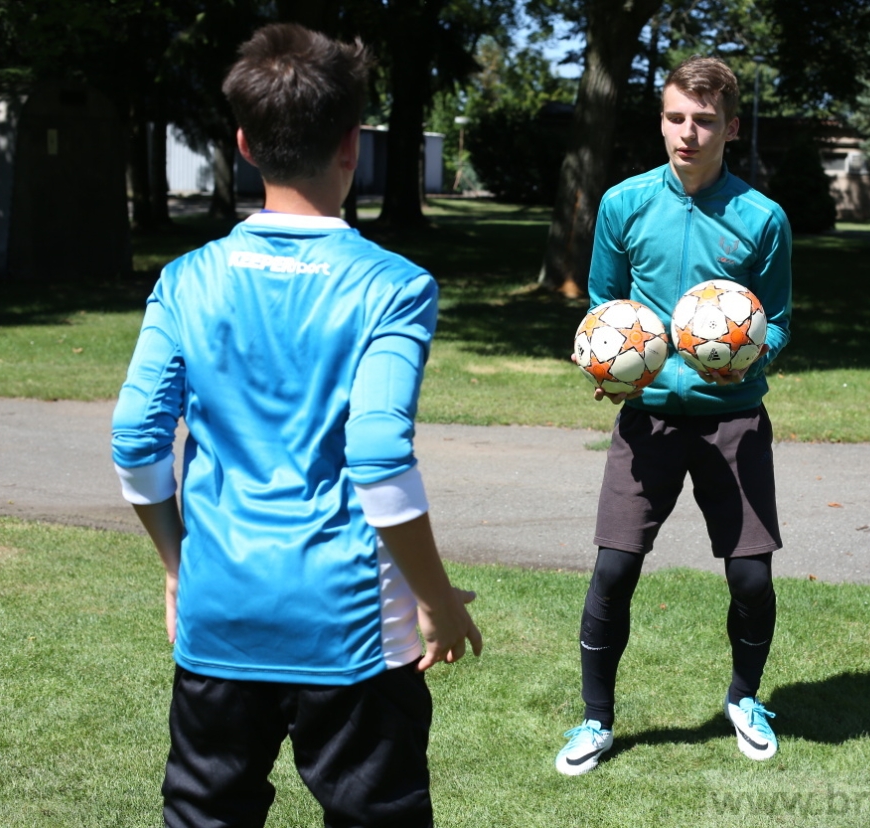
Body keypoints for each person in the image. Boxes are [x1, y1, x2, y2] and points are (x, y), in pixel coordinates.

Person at [111, 24, 480, 827]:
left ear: (244, 143)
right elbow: (379, 456)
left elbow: (136, 439)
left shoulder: (186, 280)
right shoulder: (394, 286)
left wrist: (179, 568)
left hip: (221, 612)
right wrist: (437, 598)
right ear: (353, 143)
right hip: (350, 633)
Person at [555, 55, 792, 776]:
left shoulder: (762, 219)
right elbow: (605, 306)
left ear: (730, 127)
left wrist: (750, 357)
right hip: (648, 420)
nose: (687, 134)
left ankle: (745, 698)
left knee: (751, 579)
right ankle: (596, 720)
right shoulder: (625, 204)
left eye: (705, 121)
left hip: (734, 421)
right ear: (661, 120)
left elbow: (776, 323)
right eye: (675, 118)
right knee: (614, 571)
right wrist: (607, 367)